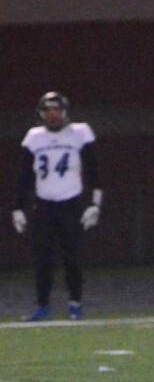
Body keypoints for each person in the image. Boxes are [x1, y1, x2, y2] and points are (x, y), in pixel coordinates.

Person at [12, 92, 102, 321]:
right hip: (44, 205)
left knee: (72, 257)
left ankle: (75, 303)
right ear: (41, 114)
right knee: (42, 258)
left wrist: (95, 204)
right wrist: (18, 207)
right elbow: (24, 176)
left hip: (71, 203)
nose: (53, 116)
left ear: (64, 112)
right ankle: (43, 305)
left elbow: (93, 171)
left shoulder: (79, 133)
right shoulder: (34, 137)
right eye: (48, 112)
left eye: (57, 111)